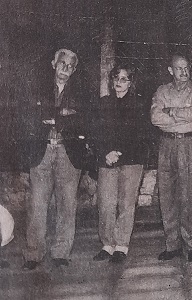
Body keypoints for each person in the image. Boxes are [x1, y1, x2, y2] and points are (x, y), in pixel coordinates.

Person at [22, 48, 88, 270]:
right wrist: (64, 116)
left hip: (68, 154)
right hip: (42, 153)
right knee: (37, 204)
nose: (65, 69)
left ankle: (61, 252)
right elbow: (29, 118)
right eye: (62, 64)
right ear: (53, 64)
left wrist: (55, 119)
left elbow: (84, 122)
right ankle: (34, 253)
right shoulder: (37, 89)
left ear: (74, 70)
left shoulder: (81, 93)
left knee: (67, 204)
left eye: (70, 66)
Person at [151, 54, 192, 262]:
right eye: (179, 68)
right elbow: (155, 117)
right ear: (170, 70)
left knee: (190, 193)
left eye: (186, 68)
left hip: (189, 144)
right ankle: (172, 244)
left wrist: (171, 111)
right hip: (166, 145)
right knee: (167, 194)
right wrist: (180, 119)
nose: (183, 72)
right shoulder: (162, 91)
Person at [91, 64, 149, 263]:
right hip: (107, 160)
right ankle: (107, 245)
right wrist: (105, 153)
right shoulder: (103, 103)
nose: (119, 82)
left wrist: (119, 153)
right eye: (116, 78)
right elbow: (96, 132)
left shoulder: (139, 104)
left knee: (126, 204)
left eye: (124, 79)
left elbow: (139, 135)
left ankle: (121, 246)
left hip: (131, 160)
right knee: (106, 203)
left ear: (131, 82)